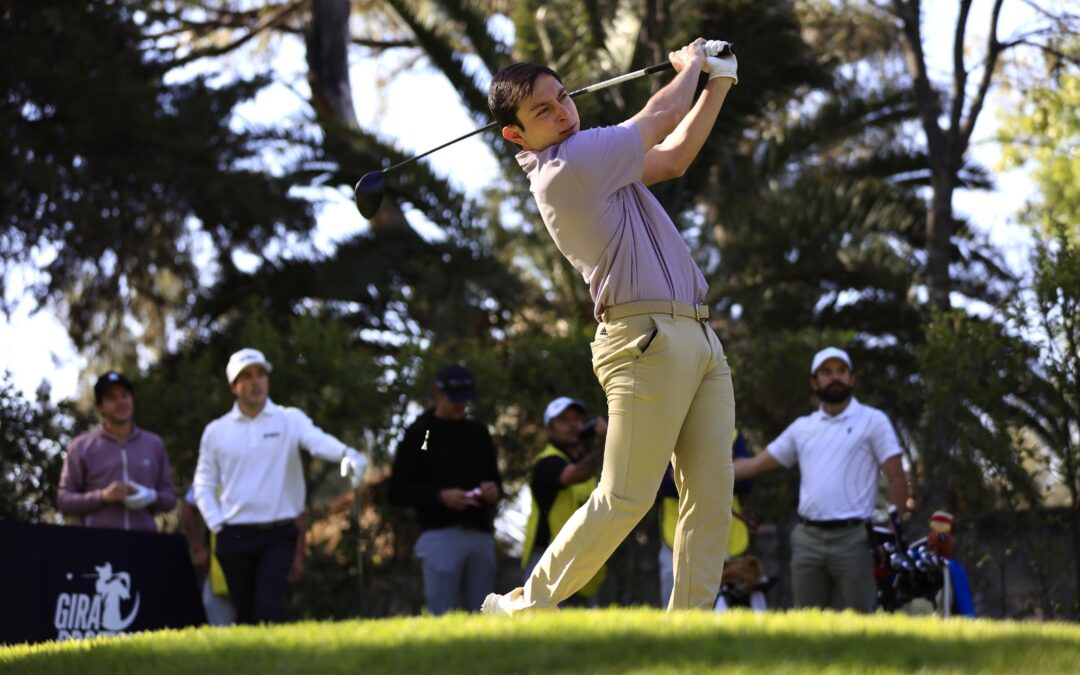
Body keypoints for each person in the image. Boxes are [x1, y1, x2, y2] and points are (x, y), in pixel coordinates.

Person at [482, 38, 739, 615]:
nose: (563, 112)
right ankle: (524, 605)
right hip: (643, 338)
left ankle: (690, 630)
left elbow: (674, 157)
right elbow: (662, 114)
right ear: (516, 135)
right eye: (542, 110)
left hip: (698, 335)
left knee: (710, 495)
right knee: (626, 495)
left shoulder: (597, 163)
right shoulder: (568, 165)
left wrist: (720, 80)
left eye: (563, 96)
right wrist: (692, 66)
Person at [193, 348, 367, 624]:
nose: (256, 382)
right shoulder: (216, 431)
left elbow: (317, 441)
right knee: (245, 614)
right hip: (234, 534)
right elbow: (203, 483)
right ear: (234, 386)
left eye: (260, 374)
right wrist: (217, 525)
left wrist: (347, 453)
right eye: (247, 376)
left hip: (279, 532)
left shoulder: (289, 419)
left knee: (268, 607)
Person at [732, 347, 909, 612]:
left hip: (855, 539)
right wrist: (698, 472)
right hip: (808, 539)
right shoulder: (803, 428)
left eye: (841, 371)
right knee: (808, 620)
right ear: (815, 382)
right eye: (826, 372)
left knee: (864, 620)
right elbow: (754, 465)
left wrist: (893, 536)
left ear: (851, 378)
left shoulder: (874, 421)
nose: (834, 377)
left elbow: (897, 477)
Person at [388, 364, 504, 615]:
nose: (461, 405)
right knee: (441, 614)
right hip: (440, 535)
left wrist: (492, 491)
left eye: (465, 399)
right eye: (454, 398)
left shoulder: (478, 433)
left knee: (484, 614)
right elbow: (397, 490)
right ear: (437, 393)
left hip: (479, 534)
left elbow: (496, 481)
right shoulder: (420, 432)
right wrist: (439, 497)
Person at [57, 371, 176, 531]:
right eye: (112, 398)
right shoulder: (81, 446)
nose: (120, 401)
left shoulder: (154, 444)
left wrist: (150, 496)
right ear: (100, 407)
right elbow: (64, 501)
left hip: (144, 540)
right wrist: (103, 496)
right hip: (98, 540)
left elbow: (170, 499)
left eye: (124, 395)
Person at [521, 397, 608, 606]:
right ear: (549, 429)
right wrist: (607, 441)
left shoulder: (583, 459)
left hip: (580, 560)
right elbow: (575, 474)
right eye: (563, 420)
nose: (572, 425)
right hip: (548, 560)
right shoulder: (547, 462)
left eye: (576, 419)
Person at [657, 430, 756, 609]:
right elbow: (662, 485)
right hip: (679, 542)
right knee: (676, 612)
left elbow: (745, 483)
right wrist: (720, 473)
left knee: (733, 613)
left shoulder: (731, 432)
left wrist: (690, 475)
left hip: (729, 543)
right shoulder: (665, 430)